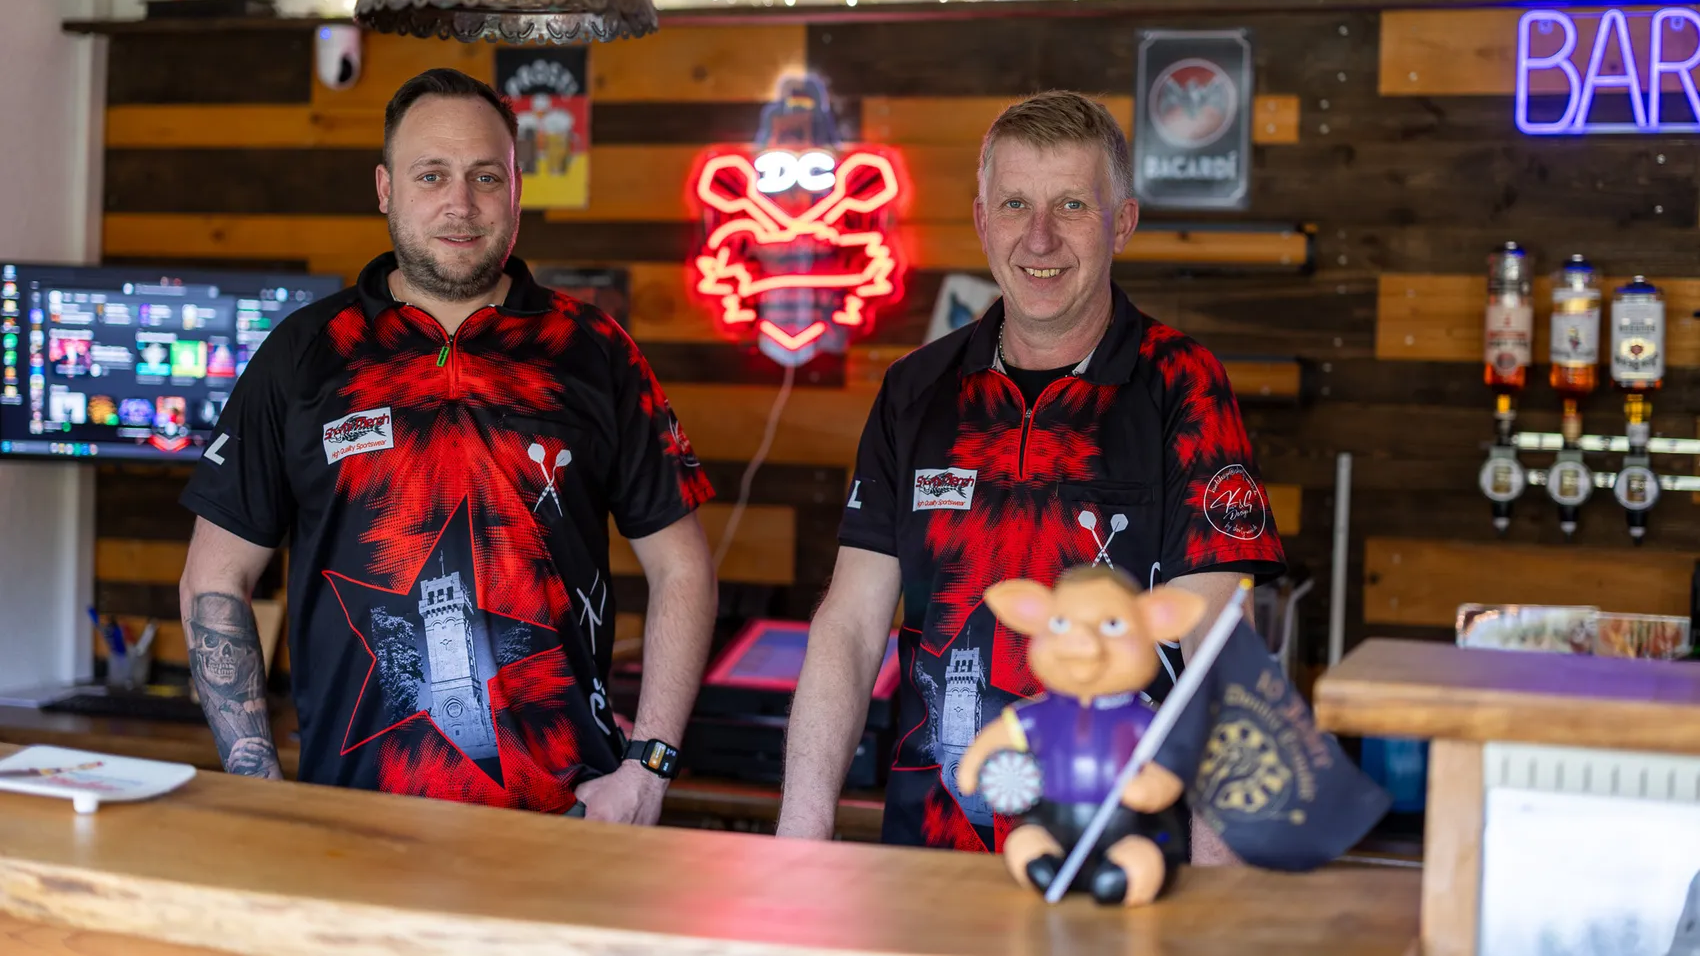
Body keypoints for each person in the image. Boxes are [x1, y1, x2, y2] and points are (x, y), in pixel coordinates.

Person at [177, 69, 717, 823]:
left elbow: (683, 567)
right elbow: (214, 576)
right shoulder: (303, 355)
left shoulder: (594, 351)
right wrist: (259, 791)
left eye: (485, 176)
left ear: (517, 189)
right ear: (386, 189)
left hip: (567, 821)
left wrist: (649, 766)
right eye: (431, 175)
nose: (460, 203)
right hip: (353, 824)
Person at [776, 90, 1286, 857]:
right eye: (1015, 203)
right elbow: (849, 627)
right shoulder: (915, 391)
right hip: (930, 856)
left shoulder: (1181, 383)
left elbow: (1217, 647)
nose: (1039, 236)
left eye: (1071, 204)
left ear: (1122, 223)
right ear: (983, 220)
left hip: (1120, 861)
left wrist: (1216, 882)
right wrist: (798, 839)